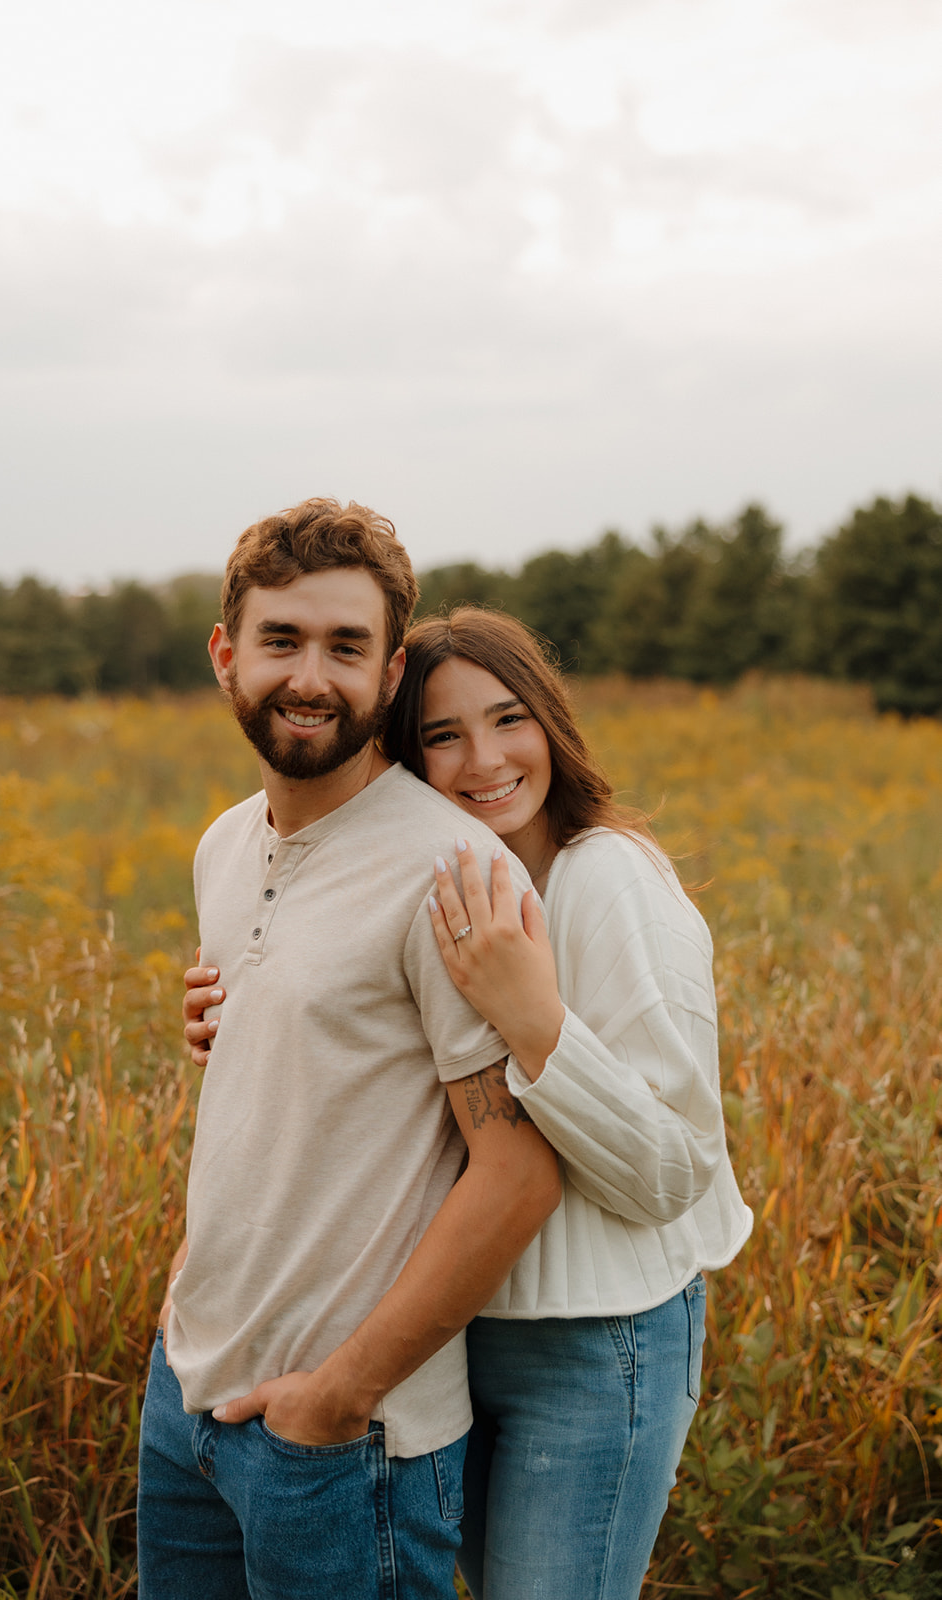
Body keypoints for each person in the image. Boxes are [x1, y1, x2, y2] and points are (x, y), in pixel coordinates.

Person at [185, 605, 752, 1600]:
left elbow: (670, 1171)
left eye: (506, 719)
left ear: (550, 725)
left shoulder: (607, 878)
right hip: (450, 1335)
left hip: (594, 1339)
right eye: (441, 735)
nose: (481, 758)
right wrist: (241, 1022)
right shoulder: (435, 883)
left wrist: (536, 1023)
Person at [140, 506, 561, 1600]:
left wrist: (336, 1395)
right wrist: (185, 1297)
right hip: (185, 1389)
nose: (310, 676)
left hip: (345, 1443)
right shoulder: (224, 844)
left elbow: (517, 1170)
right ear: (227, 654)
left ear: (389, 670)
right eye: (281, 640)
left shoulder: (453, 876)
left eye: (346, 646)